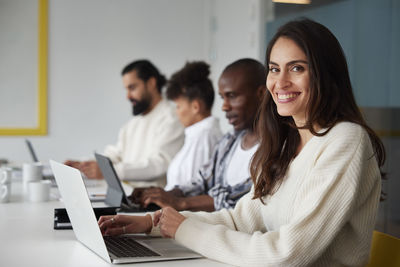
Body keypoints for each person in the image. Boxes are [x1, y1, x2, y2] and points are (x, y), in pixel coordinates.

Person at [99, 18, 386, 266]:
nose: (280, 82)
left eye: (297, 68)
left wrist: (186, 229)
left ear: (325, 74)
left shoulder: (345, 139)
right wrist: (154, 222)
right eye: (274, 69)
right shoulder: (287, 144)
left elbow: (288, 254)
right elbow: (241, 220)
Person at [131, 58, 266, 211]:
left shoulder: (277, 147)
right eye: (223, 98)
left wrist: (179, 203)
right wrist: (161, 194)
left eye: (232, 96)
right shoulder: (229, 141)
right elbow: (202, 180)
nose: (224, 106)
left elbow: (244, 197)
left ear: (261, 93)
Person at [66, 60, 184, 187]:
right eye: (126, 89)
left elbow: (159, 165)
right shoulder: (133, 124)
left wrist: (108, 172)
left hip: (154, 202)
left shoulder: (173, 118)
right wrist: (85, 165)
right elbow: (116, 155)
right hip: (129, 197)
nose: (128, 96)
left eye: (132, 88)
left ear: (151, 83)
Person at [163, 61, 222, 190]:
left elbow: (193, 191)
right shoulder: (197, 135)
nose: (176, 112)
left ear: (195, 107)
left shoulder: (205, 137)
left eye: (178, 106)